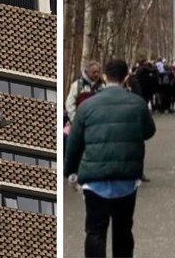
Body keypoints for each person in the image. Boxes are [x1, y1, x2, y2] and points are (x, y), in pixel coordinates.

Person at [65, 59, 156, 258]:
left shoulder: (87, 106)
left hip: (94, 178)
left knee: (95, 231)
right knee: (123, 231)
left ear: (105, 76)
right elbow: (149, 131)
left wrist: (70, 171)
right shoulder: (137, 103)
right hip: (126, 177)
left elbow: (74, 142)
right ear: (126, 77)